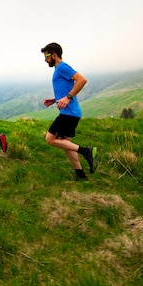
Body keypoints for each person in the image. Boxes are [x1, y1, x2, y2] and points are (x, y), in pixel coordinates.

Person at [41, 42, 97, 181]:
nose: (45, 59)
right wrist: (55, 99)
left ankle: (86, 151)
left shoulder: (62, 67)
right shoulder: (59, 69)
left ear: (54, 54)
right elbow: (65, 88)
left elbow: (82, 80)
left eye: (47, 56)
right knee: (66, 144)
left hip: (69, 113)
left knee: (50, 139)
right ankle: (80, 175)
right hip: (71, 113)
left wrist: (67, 97)